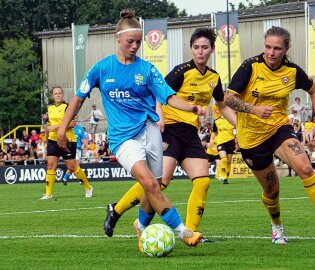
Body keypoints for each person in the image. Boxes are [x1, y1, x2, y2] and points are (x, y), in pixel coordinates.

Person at [57, 10, 206, 250]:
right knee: (149, 182)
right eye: (130, 41)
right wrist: (62, 129)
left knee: (154, 186)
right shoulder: (101, 69)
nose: (135, 46)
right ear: (117, 38)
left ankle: (140, 225)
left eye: (138, 41)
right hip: (122, 138)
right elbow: (77, 98)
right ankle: (183, 232)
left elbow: (168, 96)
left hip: (150, 130)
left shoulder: (147, 70)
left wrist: (191, 107)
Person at [99, 27, 236, 243]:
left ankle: (190, 233)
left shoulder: (214, 77)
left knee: (202, 182)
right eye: (196, 47)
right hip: (169, 130)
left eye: (205, 48)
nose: (200, 52)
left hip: (190, 133)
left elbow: (222, 105)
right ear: (191, 48)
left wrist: (240, 126)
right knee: (158, 183)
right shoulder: (181, 71)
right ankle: (117, 211)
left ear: (212, 50)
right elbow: (157, 92)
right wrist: (159, 117)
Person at [223, 26, 315, 244]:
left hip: (278, 129)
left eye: (277, 48)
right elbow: (228, 99)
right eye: (268, 47)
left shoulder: (291, 71)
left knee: (305, 167)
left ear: (286, 48)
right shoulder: (250, 67)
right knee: (272, 190)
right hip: (251, 137)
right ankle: (277, 227)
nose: (271, 52)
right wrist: (254, 109)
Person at [40, 86, 93, 200]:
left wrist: (57, 126)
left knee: (72, 167)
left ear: (62, 95)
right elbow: (49, 126)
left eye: (59, 93)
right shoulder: (50, 108)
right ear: (52, 96)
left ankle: (88, 187)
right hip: (53, 140)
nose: (58, 95)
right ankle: (48, 193)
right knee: (50, 165)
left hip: (67, 140)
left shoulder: (67, 107)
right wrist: (46, 138)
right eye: (55, 93)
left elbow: (73, 123)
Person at [210, 106, 236, 184]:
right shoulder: (217, 121)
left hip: (231, 142)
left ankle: (226, 178)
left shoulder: (232, 121)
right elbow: (214, 132)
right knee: (223, 159)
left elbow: (236, 131)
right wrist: (211, 139)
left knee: (228, 161)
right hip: (221, 142)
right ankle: (222, 175)